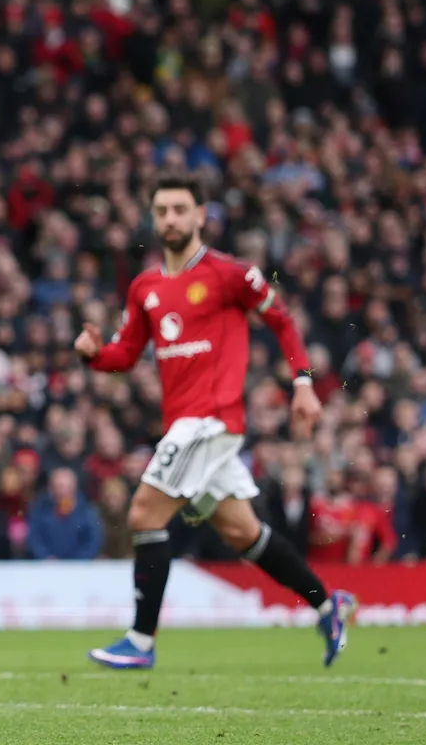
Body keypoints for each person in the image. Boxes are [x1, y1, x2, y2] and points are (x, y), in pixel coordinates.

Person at [75, 175, 352, 670]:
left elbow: (282, 320)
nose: (171, 219)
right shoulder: (146, 288)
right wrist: (95, 355)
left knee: (143, 515)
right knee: (243, 532)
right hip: (185, 425)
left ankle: (141, 641)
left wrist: (304, 383)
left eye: (181, 209)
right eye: (162, 211)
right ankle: (330, 607)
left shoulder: (231, 275)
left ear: (201, 214)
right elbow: (125, 354)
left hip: (213, 421)